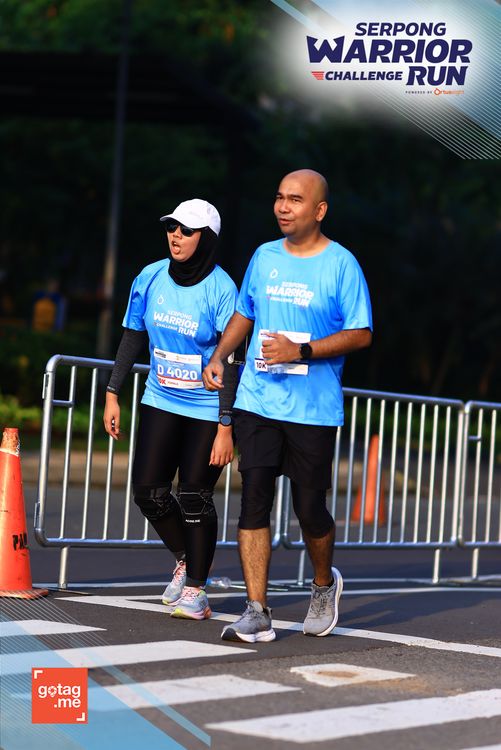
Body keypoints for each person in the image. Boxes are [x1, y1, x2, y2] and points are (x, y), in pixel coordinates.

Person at [203, 169, 372, 642]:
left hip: (312, 409)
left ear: (319, 210)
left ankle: (322, 585)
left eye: (295, 199)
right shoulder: (264, 256)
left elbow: (361, 333)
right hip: (258, 399)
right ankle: (256, 610)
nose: (282, 207)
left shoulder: (341, 264)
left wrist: (302, 350)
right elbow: (245, 313)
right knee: (253, 500)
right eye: (279, 197)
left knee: (309, 508)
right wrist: (219, 355)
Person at [104, 198, 238, 620]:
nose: (176, 236)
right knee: (148, 492)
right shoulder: (149, 277)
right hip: (161, 398)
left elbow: (231, 361)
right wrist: (112, 393)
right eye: (171, 227)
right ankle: (186, 559)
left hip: (206, 407)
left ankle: (196, 589)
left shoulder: (222, 289)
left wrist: (226, 425)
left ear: (207, 239)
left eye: (186, 230)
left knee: (195, 495)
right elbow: (132, 336)